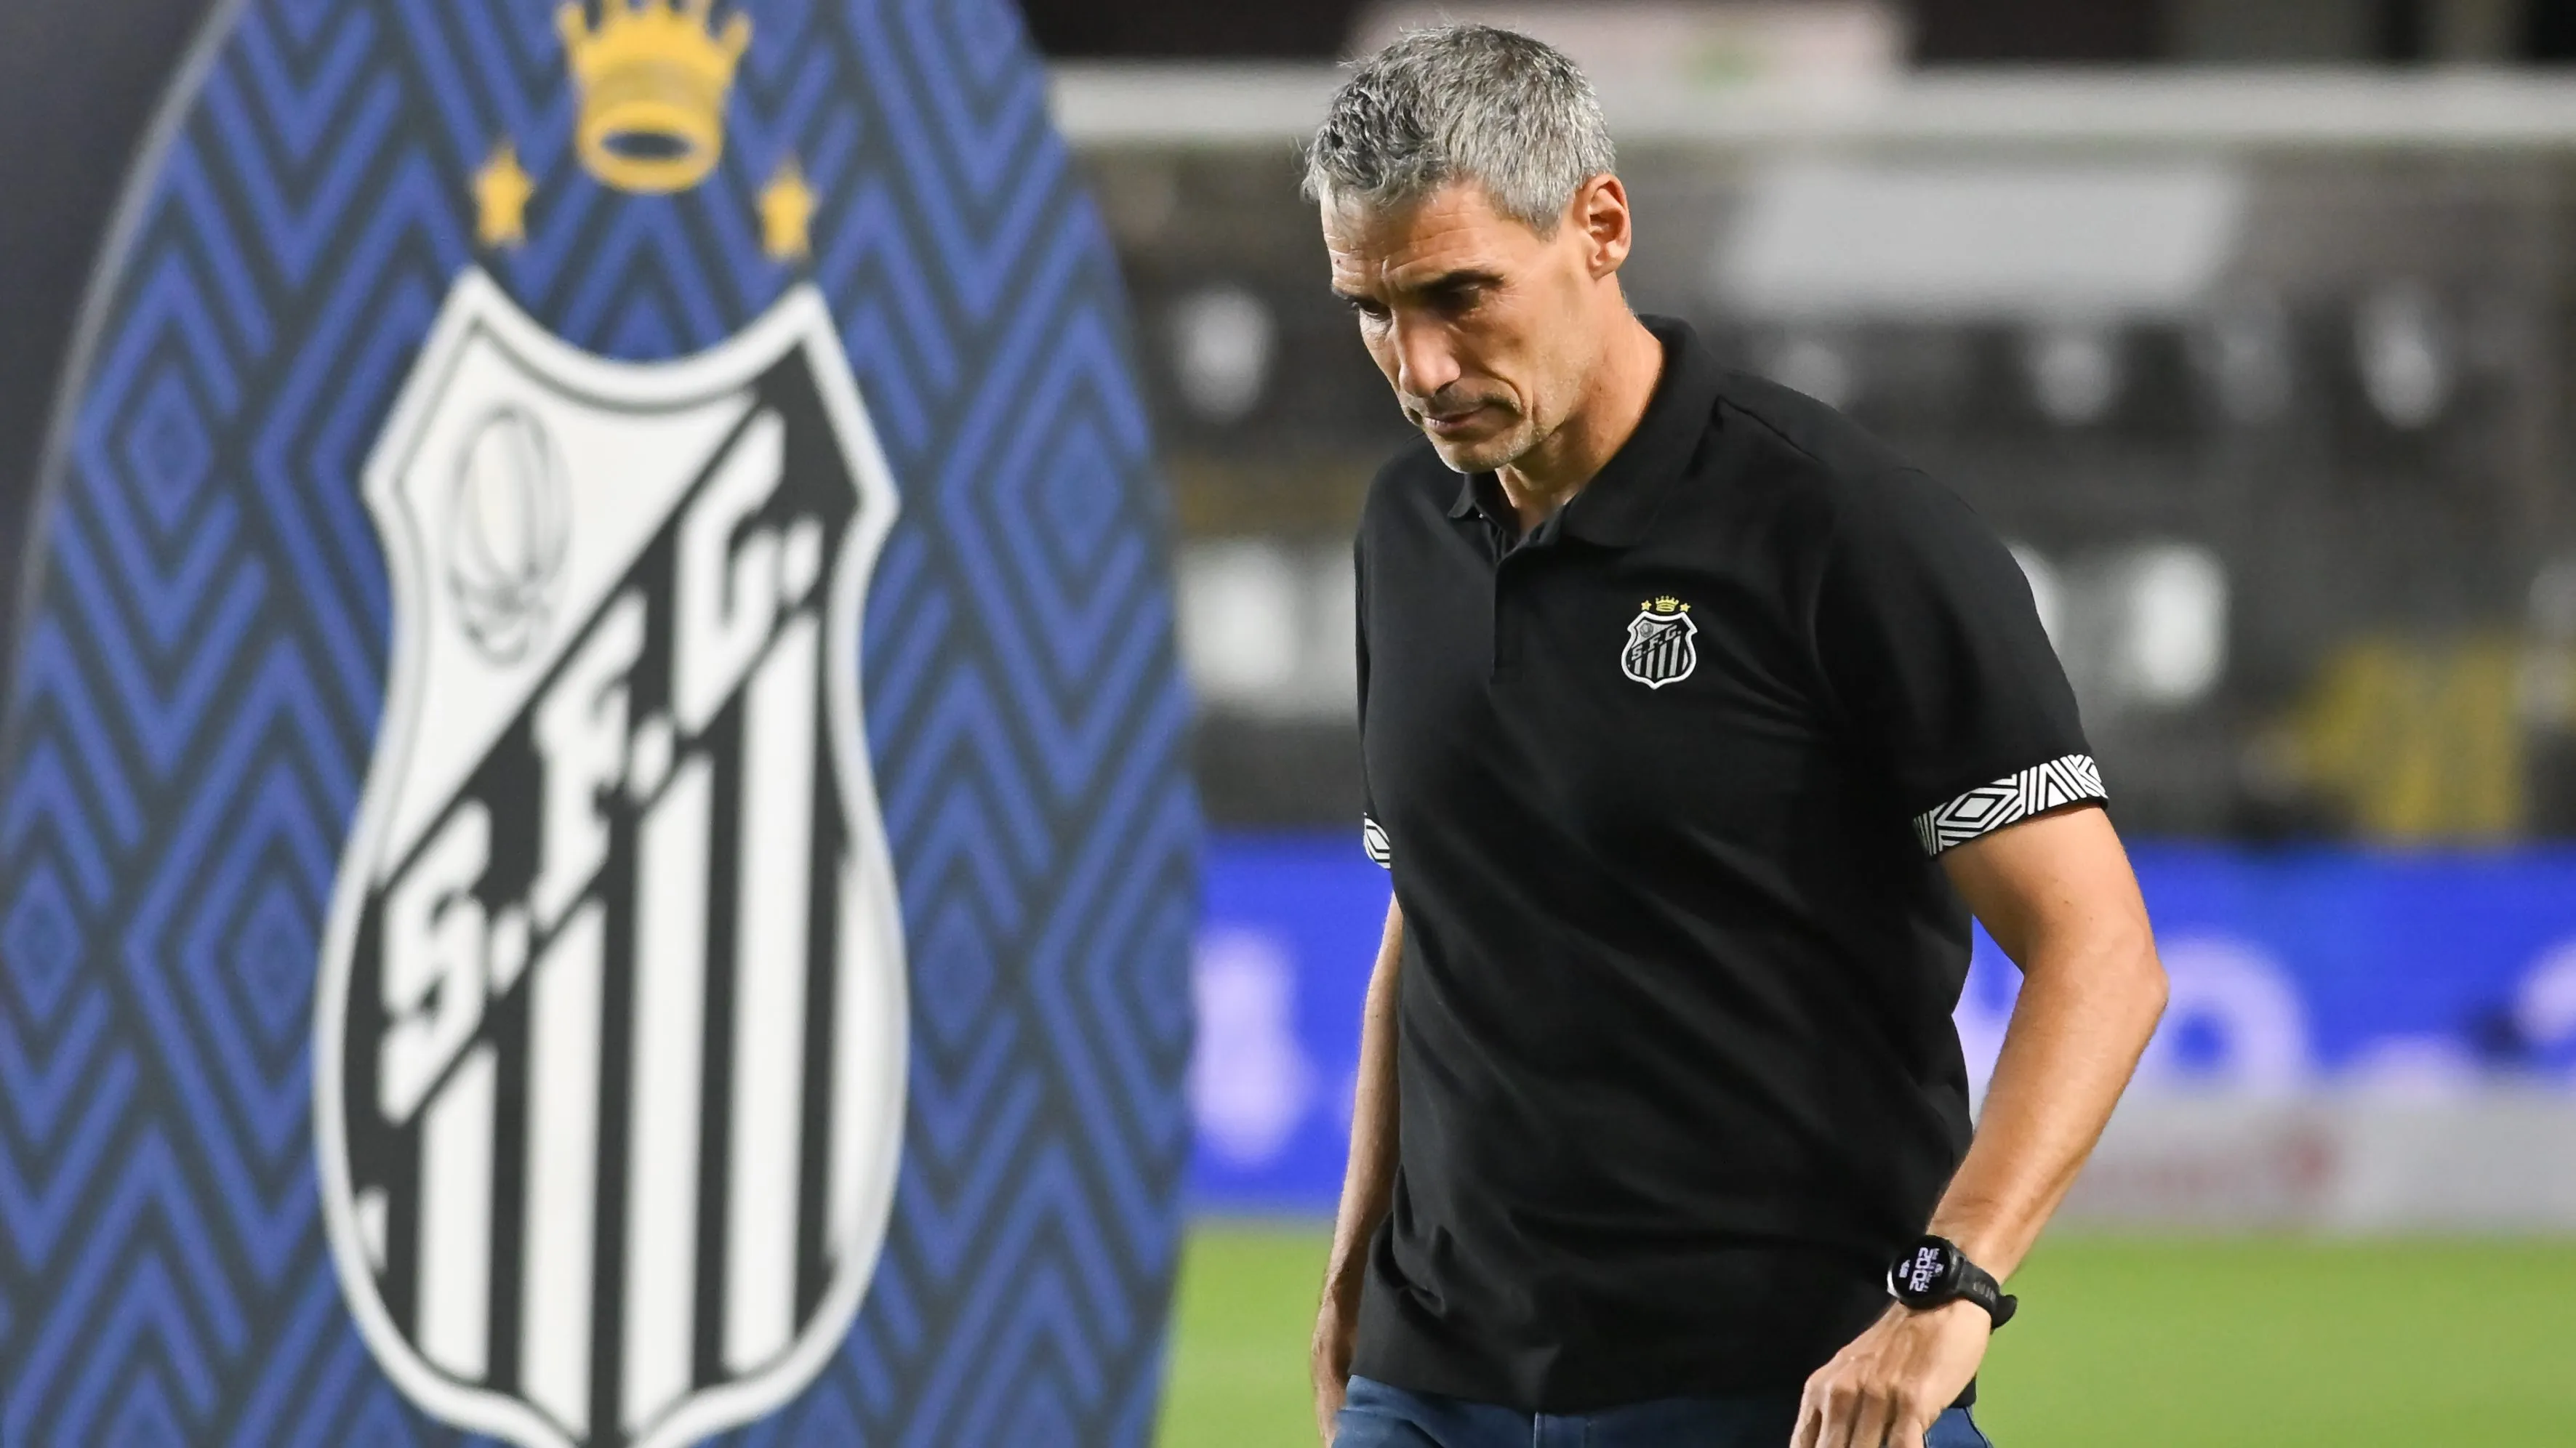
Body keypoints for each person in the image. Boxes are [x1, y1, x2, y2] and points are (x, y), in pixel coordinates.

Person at [1305, 25, 2171, 1448]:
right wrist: (1354, 1271)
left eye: (1460, 295)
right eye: (1373, 309)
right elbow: (1434, 905)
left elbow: (2101, 951)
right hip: (1433, 1384)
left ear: (1599, 225)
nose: (1420, 365)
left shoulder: (1846, 528)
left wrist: (1950, 1288)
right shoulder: (1404, 529)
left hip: (1777, 1386)